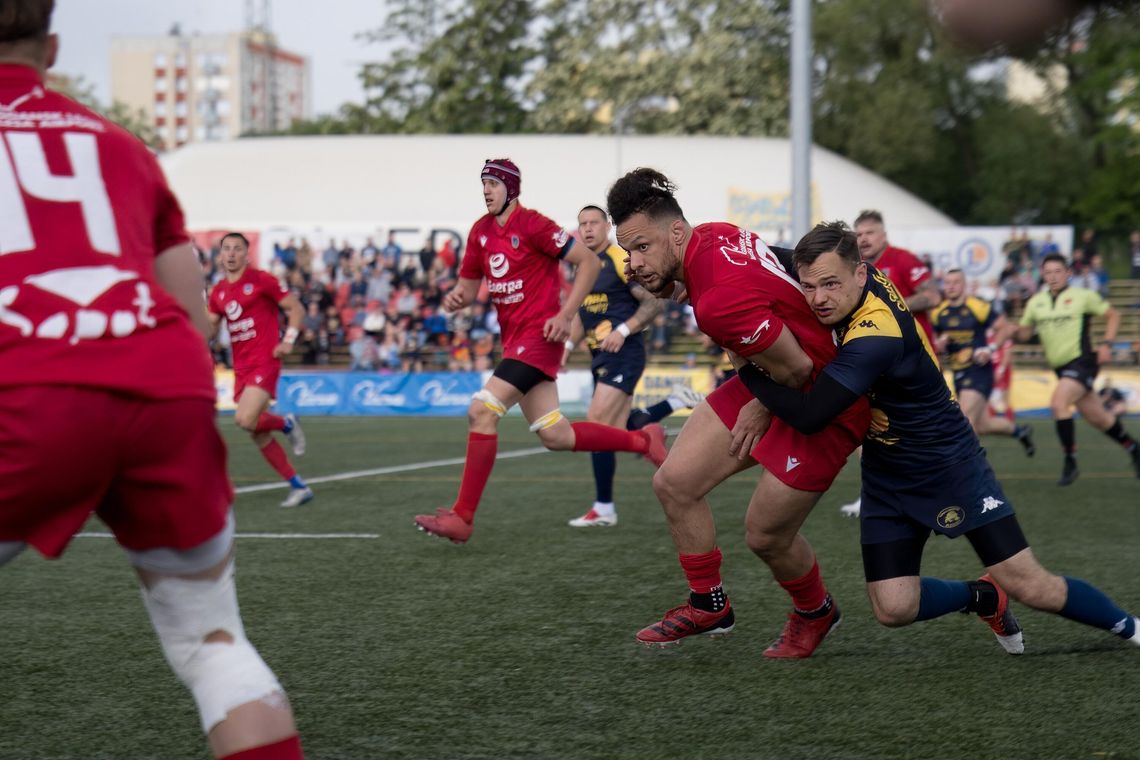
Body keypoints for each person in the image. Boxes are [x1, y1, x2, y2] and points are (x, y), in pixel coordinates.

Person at [0, 4, 304, 757]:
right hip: (159, 387)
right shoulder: (120, 145)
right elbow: (186, 309)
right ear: (54, 48)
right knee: (214, 647)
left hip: (26, 386)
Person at [736, 221, 1140, 654]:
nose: (818, 298)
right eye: (808, 285)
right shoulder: (847, 275)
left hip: (948, 462)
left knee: (1031, 585)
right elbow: (764, 255)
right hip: (887, 469)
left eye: (830, 284)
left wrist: (745, 367)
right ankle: (982, 596)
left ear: (861, 272)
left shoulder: (877, 335)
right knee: (894, 609)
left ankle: (1130, 626)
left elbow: (812, 414)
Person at [608, 169, 870, 657]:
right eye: (628, 252)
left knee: (765, 535)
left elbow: (794, 371)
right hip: (770, 376)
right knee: (674, 482)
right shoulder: (716, 233)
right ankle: (709, 605)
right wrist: (681, 282)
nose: (634, 262)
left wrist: (760, 405)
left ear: (677, 233)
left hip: (823, 398)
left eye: (643, 247)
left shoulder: (716, 303)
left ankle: (817, 612)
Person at [413, 159, 668, 545]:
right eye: (483, 184)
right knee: (556, 435)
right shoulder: (480, 233)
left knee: (481, 410)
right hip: (514, 341)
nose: (486, 190)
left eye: (494, 184)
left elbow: (584, 260)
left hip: (539, 338)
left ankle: (463, 517)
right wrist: (455, 299)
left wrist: (566, 316)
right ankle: (643, 440)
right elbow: (467, 289)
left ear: (511, 189)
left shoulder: (533, 224)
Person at [562, 204, 702, 528]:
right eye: (582, 223)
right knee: (617, 428)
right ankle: (673, 403)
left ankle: (604, 507)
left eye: (593, 222)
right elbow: (585, 315)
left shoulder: (618, 260)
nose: (587, 229)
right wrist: (567, 347)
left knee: (597, 424)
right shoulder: (582, 267)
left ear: (607, 226)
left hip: (625, 353)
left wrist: (622, 330)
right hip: (601, 357)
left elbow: (653, 302)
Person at [992, 252, 1140, 485]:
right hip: (1061, 369)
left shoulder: (1082, 296)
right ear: (1042, 275)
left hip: (1082, 362)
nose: (1052, 276)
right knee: (1099, 418)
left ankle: (1070, 461)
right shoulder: (1036, 302)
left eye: (1057, 271)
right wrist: (1013, 330)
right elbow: (1025, 334)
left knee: (1058, 403)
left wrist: (1107, 345)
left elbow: (1114, 315)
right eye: (1048, 272)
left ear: (1068, 273)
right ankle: (1134, 448)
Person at [838, 210, 943, 517]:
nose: (863, 239)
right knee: (867, 426)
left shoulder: (904, 260)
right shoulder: (855, 268)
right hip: (875, 359)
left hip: (913, 360)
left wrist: (890, 306)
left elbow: (933, 296)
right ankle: (875, 493)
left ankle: (931, 487)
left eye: (869, 233)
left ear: (883, 235)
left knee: (916, 427)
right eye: (858, 234)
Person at [207, 233, 313, 508]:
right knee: (256, 431)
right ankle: (298, 485)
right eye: (226, 249)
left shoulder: (261, 280)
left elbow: (296, 308)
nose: (230, 254)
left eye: (236, 249)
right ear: (220, 255)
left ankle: (287, 422)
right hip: (240, 367)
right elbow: (208, 328)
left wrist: (288, 340)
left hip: (265, 360)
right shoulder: (218, 291)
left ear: (246, 254)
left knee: (244, 419)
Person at [929, 269, 1035, 453]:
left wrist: (990, 349)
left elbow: (1004, 328)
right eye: (948, 283)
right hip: (958, 372)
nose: (951, 286)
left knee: (964, 419)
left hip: (979, 370)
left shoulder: (977, 307)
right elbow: (937, 343)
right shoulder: (939, 313)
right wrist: (942, 343)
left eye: (956, 282)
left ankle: (972, 468)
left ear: (964, 285)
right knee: (984, 424)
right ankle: (1020, 431)